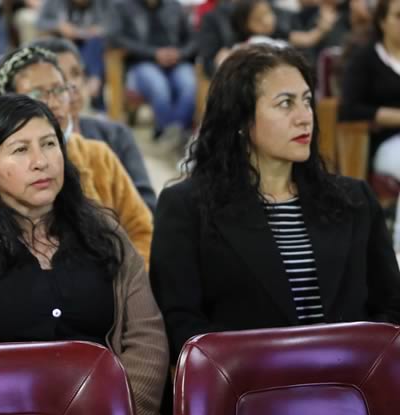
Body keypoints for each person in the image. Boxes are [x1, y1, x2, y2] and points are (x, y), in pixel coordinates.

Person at [0, 94, 167, 415]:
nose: (41, 161)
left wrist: (123, 409)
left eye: (49, 144)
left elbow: (147, 337)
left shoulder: (104, 231)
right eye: (20, 150)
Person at [150, 44, 400, 363]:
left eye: (307, 101)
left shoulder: (355, 200)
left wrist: (355, 358)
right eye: (285, 104)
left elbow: (391, 305)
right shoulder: (186, 208)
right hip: (246, 390)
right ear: (241, 119)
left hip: (351, 381)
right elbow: (181, 325)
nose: (304, 118)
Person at [0, 46, 154, 264]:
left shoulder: (98, 155)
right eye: (38, 94)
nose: (54, 103)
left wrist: (126, 283)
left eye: (59, 89)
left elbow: (141, 230)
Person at [31, 37, 157, 212]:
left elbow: (148, 204)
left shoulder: (116, 134)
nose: (71, 85)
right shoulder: (37, 152)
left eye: (75, 74)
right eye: (59, 79)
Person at [107, 0, 197, 142]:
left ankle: (175, 132)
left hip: (176, 62)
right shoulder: (122, 6)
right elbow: (114, 39)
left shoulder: (174, 6)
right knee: (159, 87)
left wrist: (180, 53)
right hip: (141, 62)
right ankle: (166, 132)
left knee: (190, 85)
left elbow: (193, 39)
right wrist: (153, 53)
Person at [339, 0, 400, 174]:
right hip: (385, 142)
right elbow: (349, 110)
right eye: (399, 16)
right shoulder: (363, 59)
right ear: (382, 21)